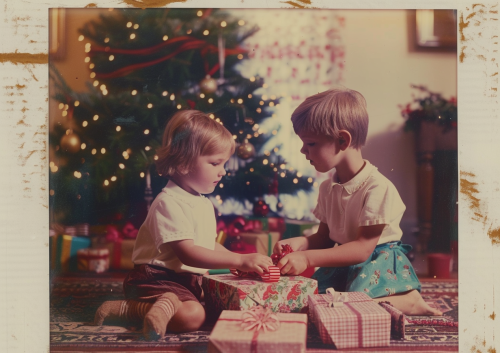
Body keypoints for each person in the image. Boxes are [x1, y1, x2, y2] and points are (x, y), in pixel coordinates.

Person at [94, 110, 273, 339]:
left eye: (224, 163)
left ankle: (166, 304)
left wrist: (237, 261)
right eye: (215, 163)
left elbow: (206, 245)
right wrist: (239, 259)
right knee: (193, 317)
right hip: (156, 278)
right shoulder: (168, 202)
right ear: (183, 162)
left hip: (184, 280)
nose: (223, 171)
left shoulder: (202, 202)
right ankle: (130, 308)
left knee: (213, 310)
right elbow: (189, 253)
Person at [273, 87, 441, 316]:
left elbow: (363, 249)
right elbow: (323, 238)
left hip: (376, 264)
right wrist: (299, 245)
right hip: (344, 262)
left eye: (310, 143)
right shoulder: (327, 188)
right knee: (314, 302)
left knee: (349, 308)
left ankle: (407, 299)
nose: (303, 150)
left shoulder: (377, 187)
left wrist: (307, 257)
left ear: (342, 140)